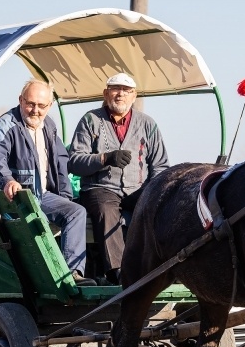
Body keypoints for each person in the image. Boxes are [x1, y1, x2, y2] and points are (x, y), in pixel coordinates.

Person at [0, 79, 95, 286]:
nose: (35, 110)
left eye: (41, 106)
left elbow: (61, 162)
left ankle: (72, 274)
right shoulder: (5, 125)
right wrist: (7, 181)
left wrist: (65, 198)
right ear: (20, 100)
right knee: (38, 218)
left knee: (76, 211)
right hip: (14, 198)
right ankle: (42, 278)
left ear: (49, 106)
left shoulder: (49, 125)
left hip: (42, 195)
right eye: (30, 103)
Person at [68, 73, 169, 285]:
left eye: (126, 90)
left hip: (137, 188)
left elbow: (160, 165)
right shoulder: (91, 120)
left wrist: (151, 192)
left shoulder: (147, 124)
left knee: (162, 207)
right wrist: (104, 158)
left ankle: (165, 268)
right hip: (100, 188)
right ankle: (119, 272)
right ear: (106, 94)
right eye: (115, 89)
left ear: (134, 96)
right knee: (106, 210)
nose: (120, 94)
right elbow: (74, 161)